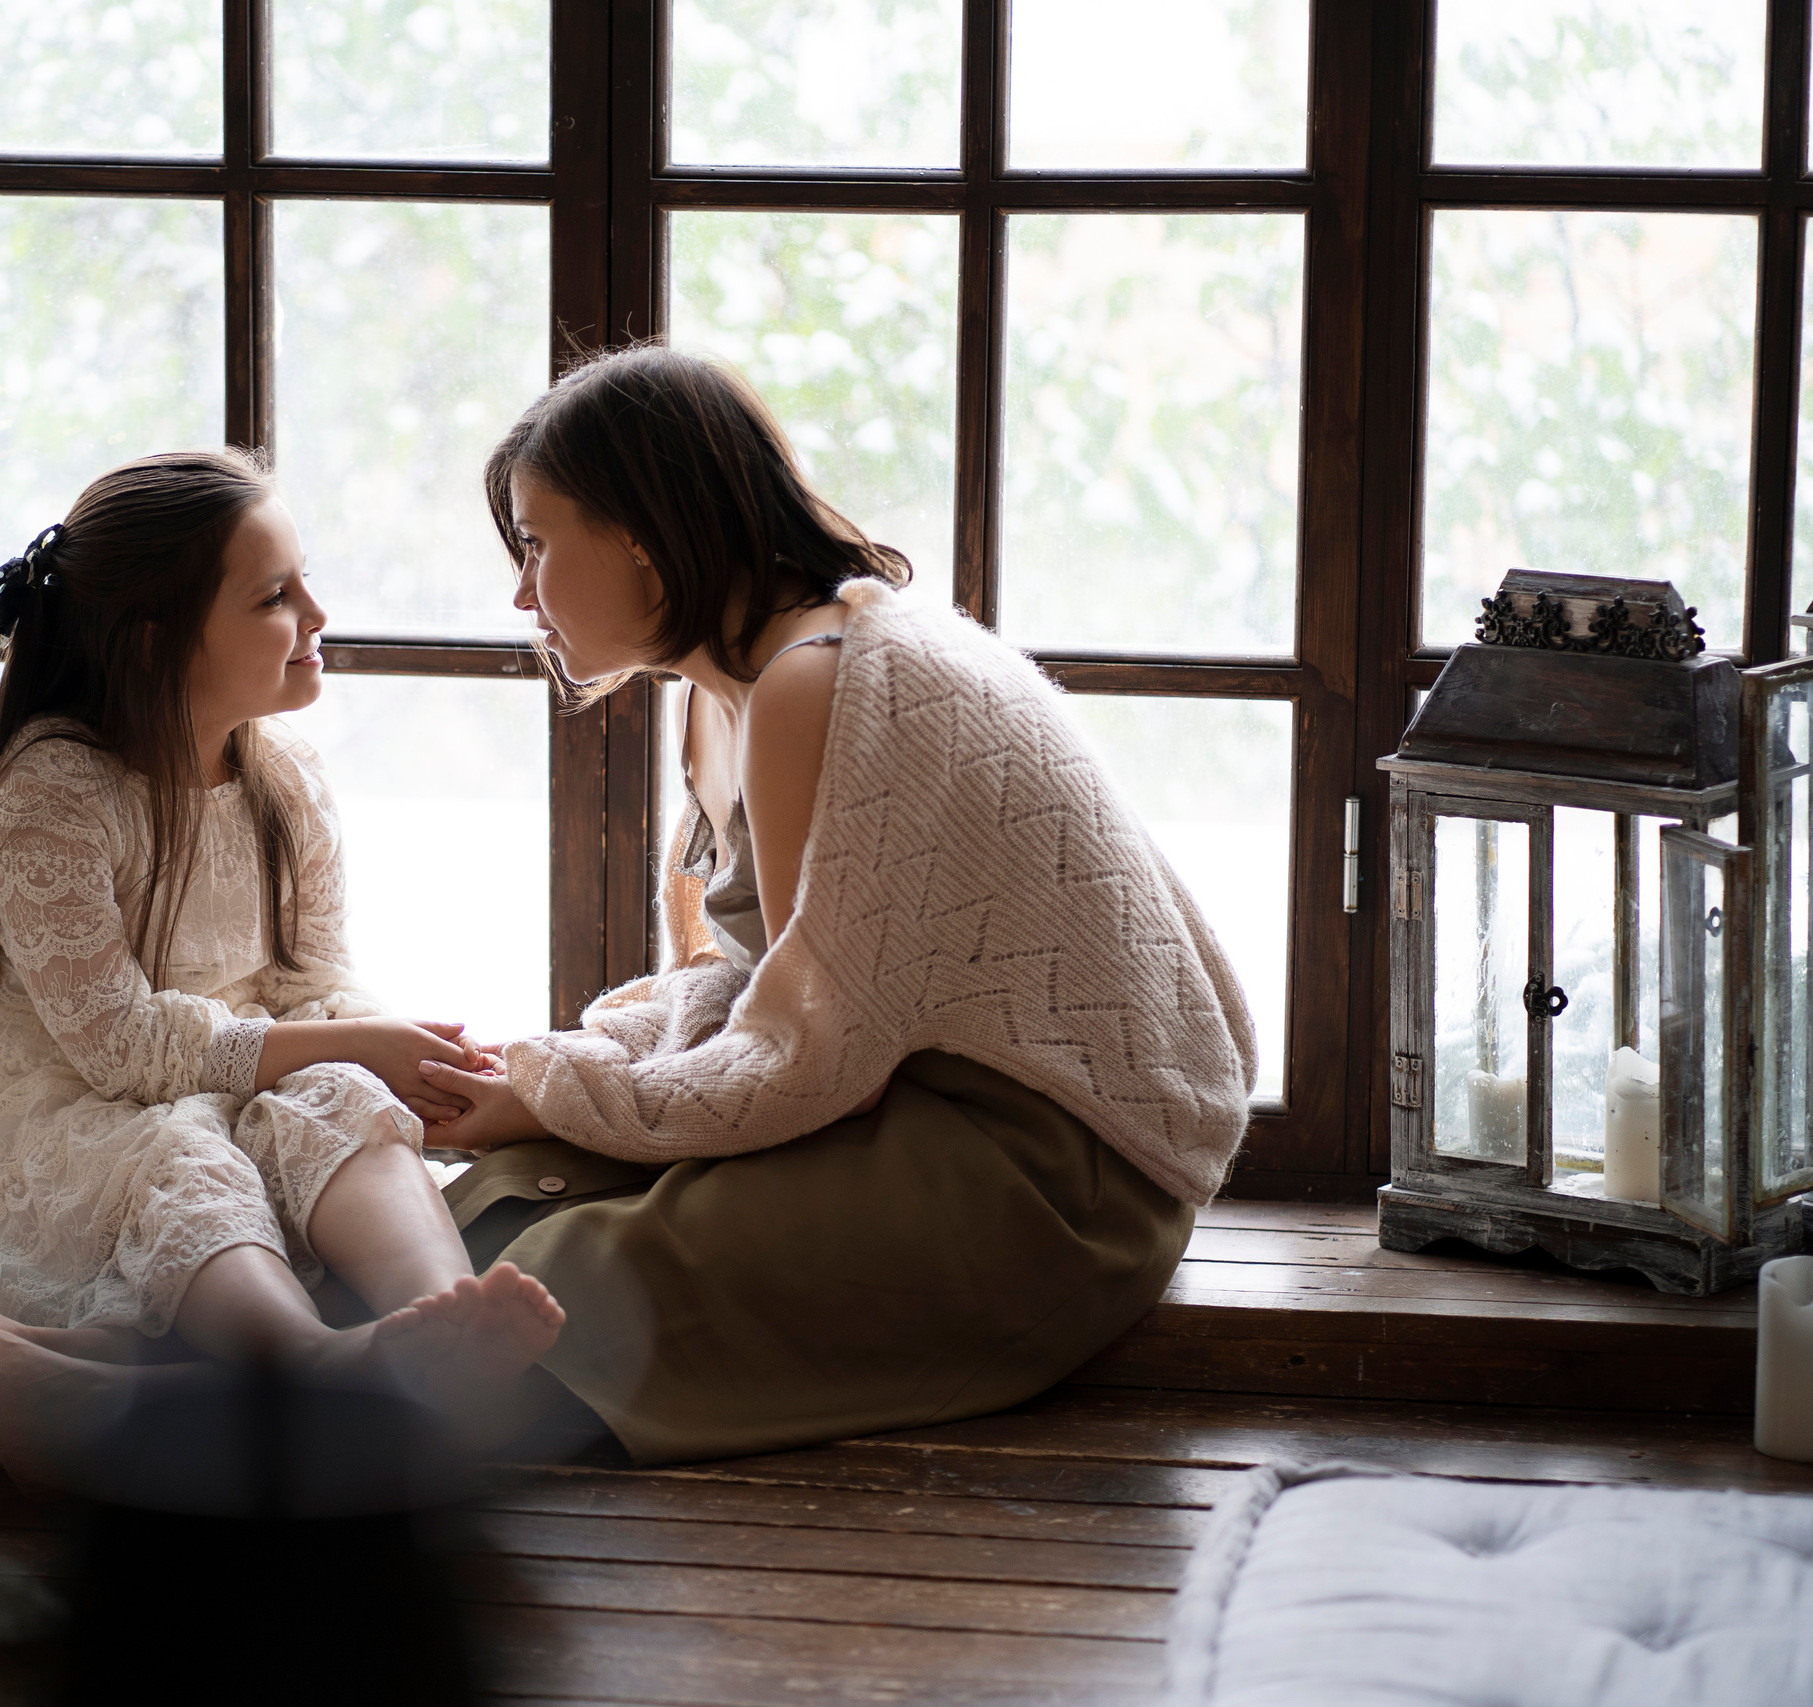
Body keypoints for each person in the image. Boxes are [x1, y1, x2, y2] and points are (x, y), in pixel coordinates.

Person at [416, 346, 1257, 1465]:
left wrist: (559, 1090)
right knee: (503, 1203)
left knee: (560, 1289)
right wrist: (553, 1070)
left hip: (1049, 1176)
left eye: (533, 543)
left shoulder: (820, 675)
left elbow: (810, 1050)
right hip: (895, 1097)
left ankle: (241, 1434)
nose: (520, 593)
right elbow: (755, 981)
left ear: (638, 532)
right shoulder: (723, 692)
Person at [0, 450, 562, 1486]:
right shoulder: (53, 789)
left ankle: (440, 1323)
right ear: (158, 643)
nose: (317, 613)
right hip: (57, 1111)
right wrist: (351, 1037)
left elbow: (311, 982)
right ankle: (317, 1361)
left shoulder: (288, 779)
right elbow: (120, 1048)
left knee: (340, 1089)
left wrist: (389, 1051)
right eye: (275, 596)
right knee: (182, 1158)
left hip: (220, 1078)